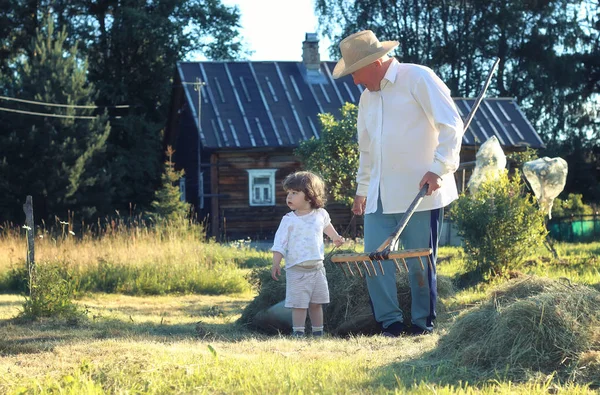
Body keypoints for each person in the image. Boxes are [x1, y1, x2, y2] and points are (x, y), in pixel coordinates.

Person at [332, 30, 464, 336]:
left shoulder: (418, 78)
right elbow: (367, 148)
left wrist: (439, 168)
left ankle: (422, 324)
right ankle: (390, 323)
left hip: (420, 192)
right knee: (374, 261)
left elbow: (451, 125)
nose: (355, 82)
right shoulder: (367, 97)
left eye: (356, 73)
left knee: (420, 263)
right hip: (378, 195)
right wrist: (362, 189)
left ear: (375, 62)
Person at [271, 171, 345, 338]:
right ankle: (298, 333)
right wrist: (276, 263)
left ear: (309, 195)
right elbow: (279, 244)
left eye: (294, 193)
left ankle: (318, 332)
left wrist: (335, 238)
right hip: (296, 270)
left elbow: (327, 227)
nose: (289, 197)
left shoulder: (321, 214)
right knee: (299, 305)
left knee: (316, 303)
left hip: (318, 269)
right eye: (288, 193)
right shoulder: (289, 220)